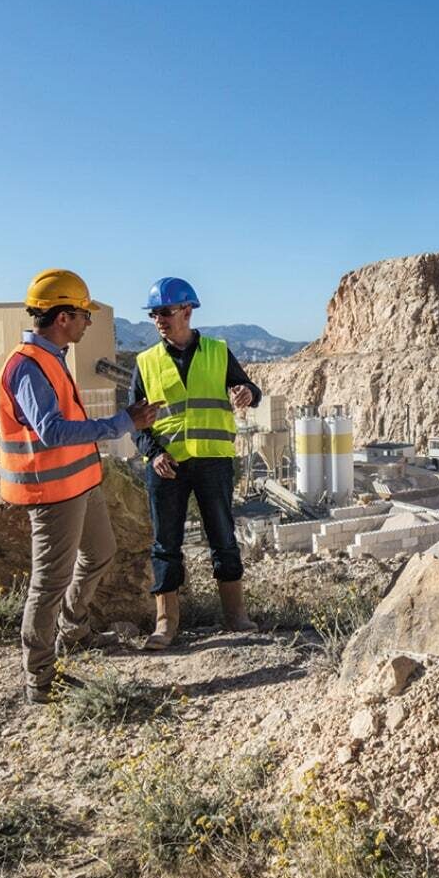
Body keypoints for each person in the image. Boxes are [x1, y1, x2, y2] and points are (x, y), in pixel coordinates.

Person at [0, 268, 158, 704]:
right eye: (84, 315)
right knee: (48, 584)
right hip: (51, 495)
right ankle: (41, 678)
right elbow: (52, 431)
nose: (88, 322)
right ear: (63, 316)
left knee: (101, 552)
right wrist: (123, 422)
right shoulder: (28, 367)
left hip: (80, 486)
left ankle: (73, 629)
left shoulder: (52, 358)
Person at [130, 276, 260, 647]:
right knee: (165, 544)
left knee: (223, 537)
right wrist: (153, 454)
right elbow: (135, 423)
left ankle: (236, 616)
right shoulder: (146, 362)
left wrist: (246, 393)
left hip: (213, 461)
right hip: (166, 465)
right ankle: (165, 623)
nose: (159, 320)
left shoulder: (218, 352)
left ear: (187, 311)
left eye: (166, 312)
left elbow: (252, 391)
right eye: (154, 313)